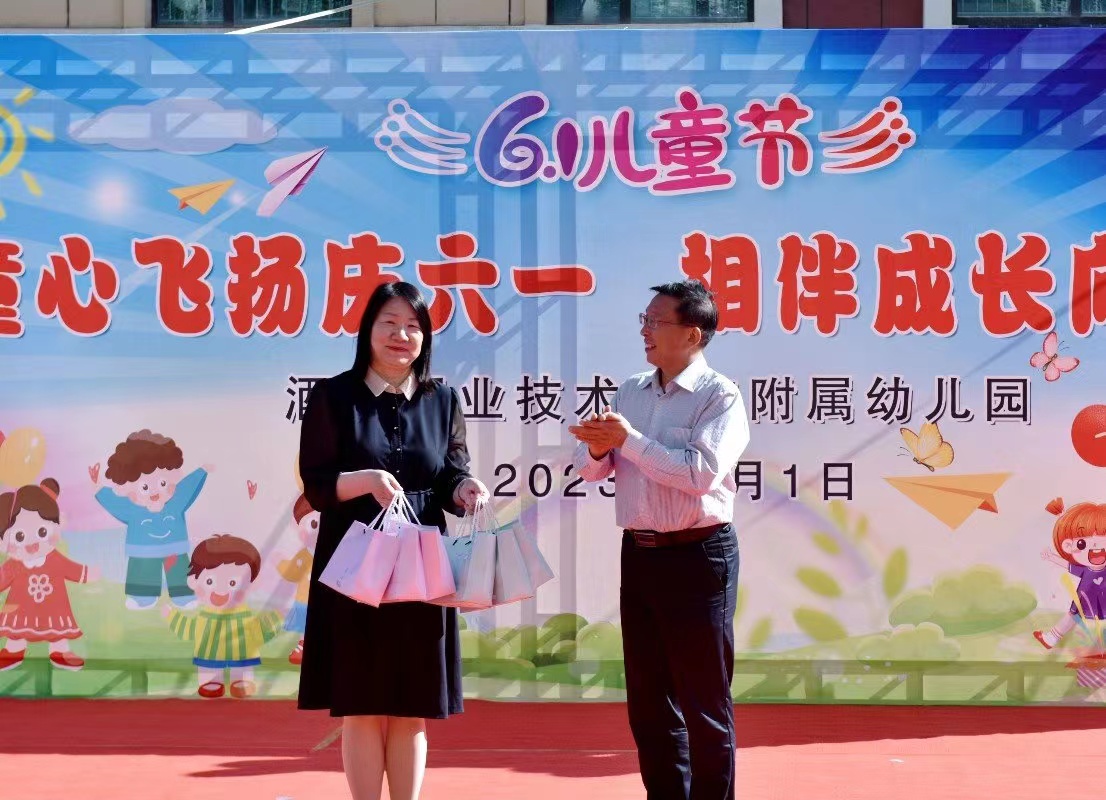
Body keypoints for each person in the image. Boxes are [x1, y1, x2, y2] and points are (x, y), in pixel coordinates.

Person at [297, 280, 490, 800]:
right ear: (368, 331)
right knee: (361, 706)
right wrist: (365, 481)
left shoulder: (442, 399)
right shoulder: (333, 396)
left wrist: (465, 489)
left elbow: (450, 473)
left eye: (413, 326)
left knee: (412, 706)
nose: (401, 335)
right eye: (390, 323)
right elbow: (317, 485)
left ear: (425, 337)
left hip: (421, 569)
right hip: (354, 566)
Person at [569, 280, 750, 800]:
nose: (645, 331)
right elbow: (590, 470)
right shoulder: (631, 391)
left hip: (699, 556)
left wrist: (628, 440)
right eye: (644, 320)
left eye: (656, 321)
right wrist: (599, 449)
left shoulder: (720, 396)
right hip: (641, 555)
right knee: (649, 703)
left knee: (703, 703)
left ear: (692, 334)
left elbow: (699, 474)